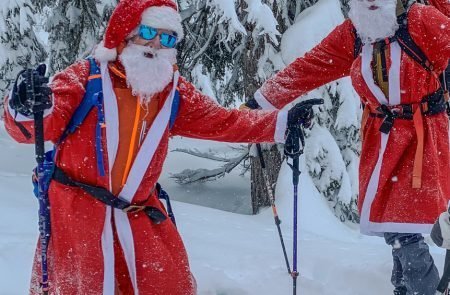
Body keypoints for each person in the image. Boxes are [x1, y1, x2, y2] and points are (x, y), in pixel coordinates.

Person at [2, 0, 316, 294]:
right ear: (124, 34)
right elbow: (35, 127)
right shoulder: (84, 78)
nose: (156, 45)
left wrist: (280, 124)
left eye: (167, 39)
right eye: (149, 33)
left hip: (138, 214)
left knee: (165, 281)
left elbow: (223, 121)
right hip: (79, 217)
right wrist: (26, 105)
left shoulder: (173, 92)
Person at [245, 0, 450, 294]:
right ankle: (404, 287)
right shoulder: (355, 31)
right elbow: (311, 66)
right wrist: (259, 102)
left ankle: (426, 290)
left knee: (401, 228)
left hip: (423, 140)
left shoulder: (421, 20)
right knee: (391, 224)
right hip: (381, 141)